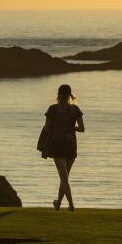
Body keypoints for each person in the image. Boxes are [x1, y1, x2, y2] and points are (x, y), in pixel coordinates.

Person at [44, 84, 84, 212]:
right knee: (65, 177)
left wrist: (57, 127)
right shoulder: (75, 109)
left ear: (58, 94)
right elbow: (82, 129)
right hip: (71, 144)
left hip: (57, 144)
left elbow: (47, 128)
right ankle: (58, 204)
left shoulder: (53, 109)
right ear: (70, 94)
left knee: (64, 177)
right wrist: (71, 128)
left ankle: (71, 205)